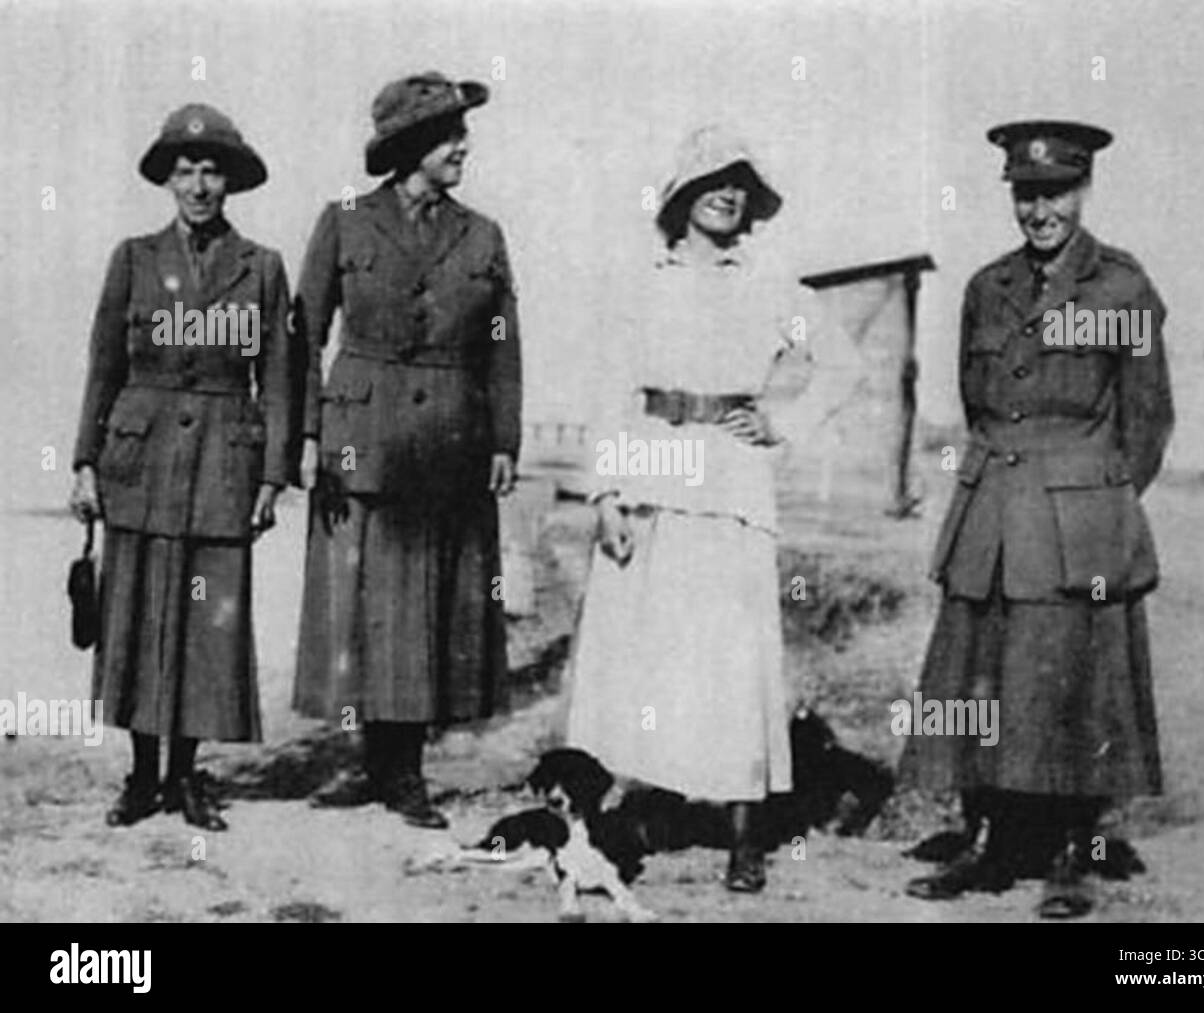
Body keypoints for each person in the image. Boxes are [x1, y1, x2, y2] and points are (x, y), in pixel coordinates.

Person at [566, 125, 860, 892]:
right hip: (652, 466)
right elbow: (608, 390)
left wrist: (782, 422)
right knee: (642, 649)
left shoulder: (770, 287)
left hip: (730, 480)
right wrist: (605, 492)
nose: (728, 194)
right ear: (682, 196)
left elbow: (843, 363)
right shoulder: (643, 282)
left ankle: (744, 832)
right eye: (713, 180)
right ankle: (628, 815)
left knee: (732, 657)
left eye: (740, 184)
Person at [900, 121, 1174, 918]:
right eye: (1026, 195)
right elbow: (973, 400)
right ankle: (988, 842)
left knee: (1073, 693)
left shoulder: (1121, 287)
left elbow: (1147, 420)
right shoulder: (989, 287)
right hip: (992, 511)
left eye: (1053, 194)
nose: (1039, 210)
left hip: (1076, 523)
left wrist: (1096, 506)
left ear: (1081, 192)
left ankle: (1070, 856)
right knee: (979, 680)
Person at [293, 72, 521, 828]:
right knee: (367, 604)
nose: (464, 146)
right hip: (364, 441)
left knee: (435, 603)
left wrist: (503, 438)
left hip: (452, 442)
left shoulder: (483, 234)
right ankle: (368, 763)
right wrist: (306, 432)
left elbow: (500, 343)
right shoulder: (345, 221)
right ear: (413, 145)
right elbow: (305, 334)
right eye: (450, 134)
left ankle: (408, 771)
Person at [69, 103, 296, 831]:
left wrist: (270, 477)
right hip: (140, 461)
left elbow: (282, 380)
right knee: (133, 614)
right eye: (187, 170)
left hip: (222, 466)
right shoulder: (132, 259)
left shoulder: (262, 268)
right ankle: (142, 777)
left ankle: (185, 775)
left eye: (213, 171)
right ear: (167, 179)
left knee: (206, 620)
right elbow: (103, 367)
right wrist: (83, 463)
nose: (200, 185)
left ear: (232, 182)